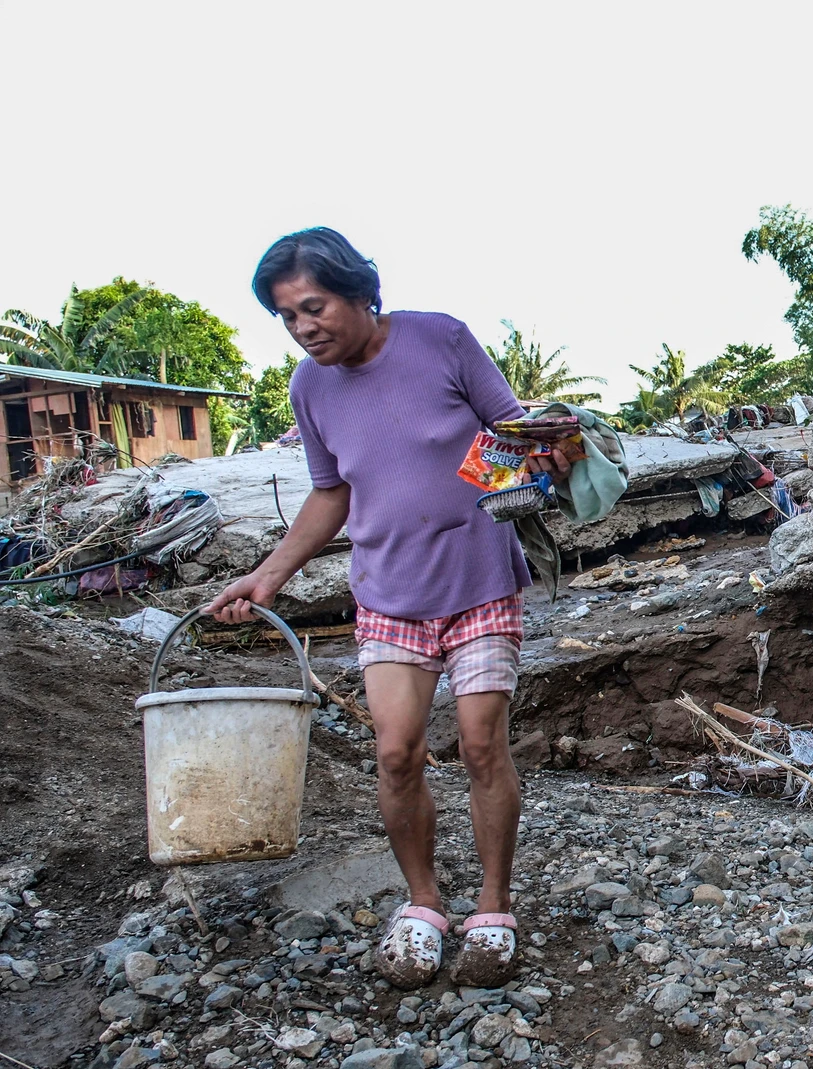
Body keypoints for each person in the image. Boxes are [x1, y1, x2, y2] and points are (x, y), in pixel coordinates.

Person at [209, 227, 568, 989]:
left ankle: (494, 908)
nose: (305, 328)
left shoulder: (441, 339)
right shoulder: (309, 390)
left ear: (359, 292)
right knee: (397, 753)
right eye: (287, 318)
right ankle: (425, 903)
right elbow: (331, 492)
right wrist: (266, 577)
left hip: (478, 581)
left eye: (314, 306)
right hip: (388, 597)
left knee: (479, 744)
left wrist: (550, 451)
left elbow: (516, 434)